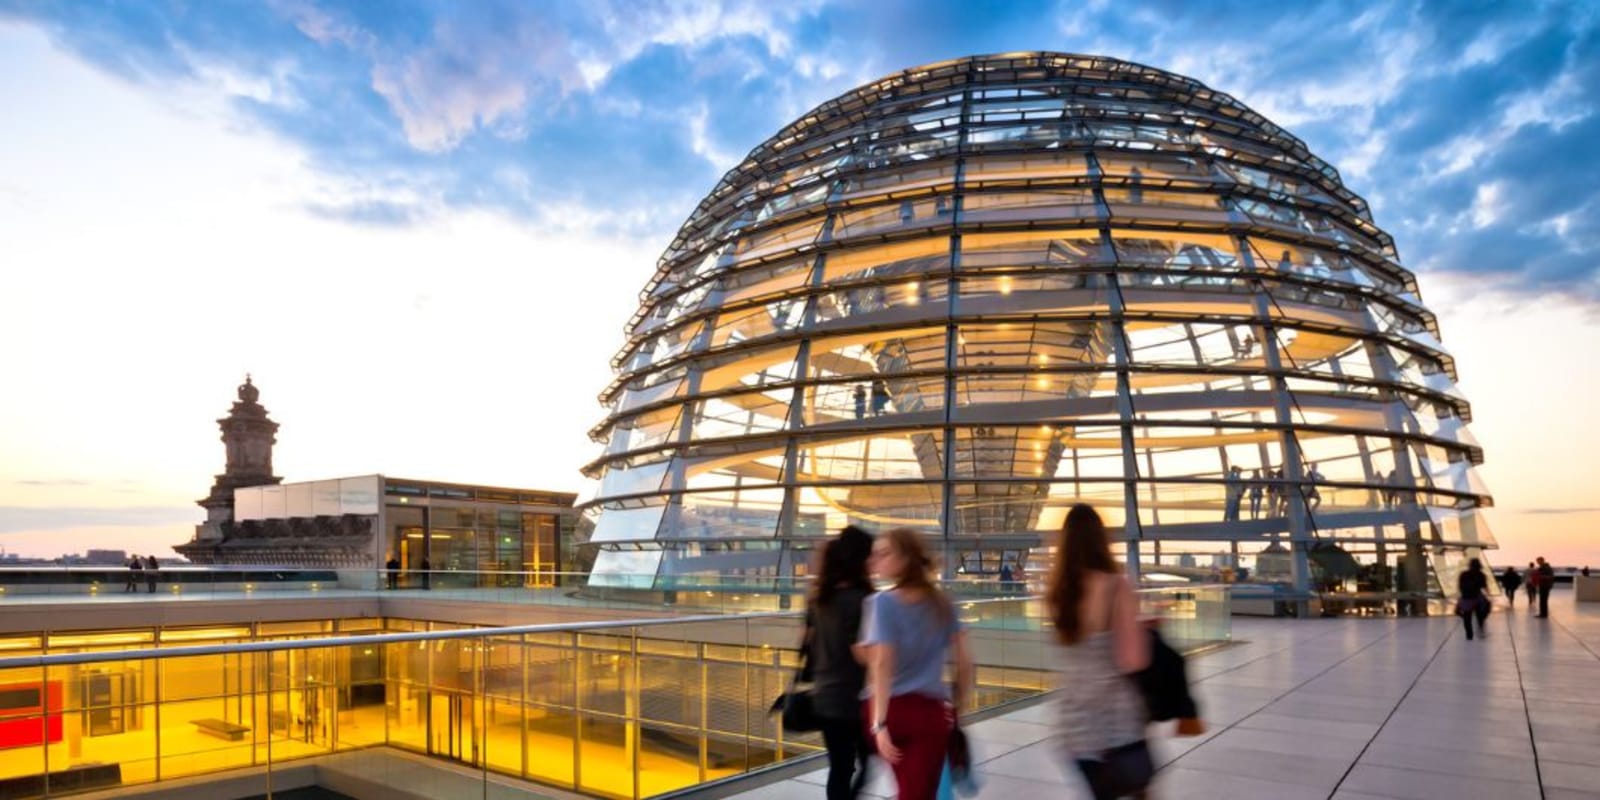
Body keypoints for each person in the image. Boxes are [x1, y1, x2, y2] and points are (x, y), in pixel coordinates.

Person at [858, 528, 974, 800]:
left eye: (884, 554)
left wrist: (879, 724)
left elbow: (882, 664)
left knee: (911, 791)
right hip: (930, 715)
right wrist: (956, 709)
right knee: (918, 792)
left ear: (906, 558)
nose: (875, 560)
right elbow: (966, 664)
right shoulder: (943, 603)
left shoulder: (881, 603)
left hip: (891, 711)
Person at [1045, 504, 1151, 800]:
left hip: (1074, 724)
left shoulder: (1057, 593)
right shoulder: (1116, 586)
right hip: (1114, 723)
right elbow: (1133, 659)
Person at [808, 526, 875, 800]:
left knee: (840, 767)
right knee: (867, 761)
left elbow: (809, 642)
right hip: (852, 699)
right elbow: (861, 654)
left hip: (825, 695)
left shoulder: (822, 598)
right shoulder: (859, 601)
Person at [1457, 558, 1490, 640]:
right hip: (1477, 597)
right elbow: (1484, 586)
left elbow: (1460, 586)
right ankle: (1480, 626)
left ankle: (1469, 635)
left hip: (1466, 598)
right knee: (1481, 613)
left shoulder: (1464, 574)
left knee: (1467, 617)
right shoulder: (1481, 574)